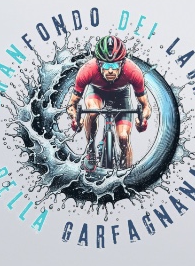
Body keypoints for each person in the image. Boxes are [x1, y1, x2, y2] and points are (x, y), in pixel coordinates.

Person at [64, 36, 151, 169]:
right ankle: (91, 150)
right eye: (106, 65)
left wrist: (143, 118)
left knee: (123, 137)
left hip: (122, 96)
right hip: (96, 91)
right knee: (92, 112)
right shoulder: (87, 70)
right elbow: (72, 104)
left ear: (122, 64)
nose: (110, 70)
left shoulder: (133, 71)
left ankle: (127, 171)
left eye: (115, 65)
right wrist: (75, 118)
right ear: (98, 64)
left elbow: (146, 106)